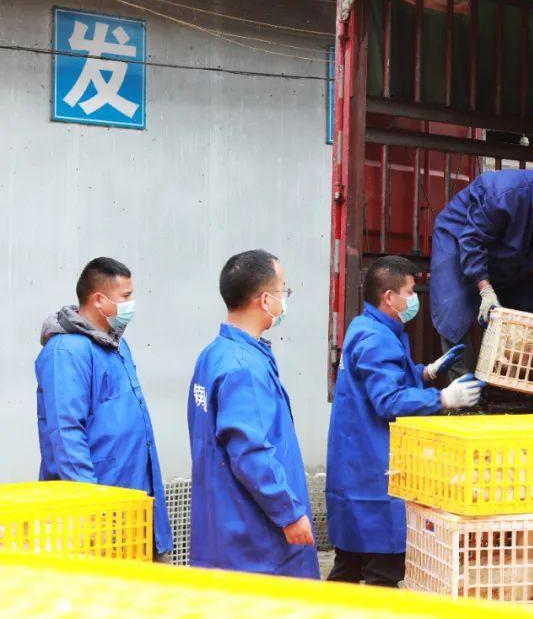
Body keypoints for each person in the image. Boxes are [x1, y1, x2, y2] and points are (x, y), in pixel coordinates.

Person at [326, 256, 483, 587]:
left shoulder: (366, 327)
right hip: (375, 472)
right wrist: (442, 398)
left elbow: (388, 376)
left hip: (356, 470)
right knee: (382, 573)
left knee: (348, 567)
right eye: (410, 292)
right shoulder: (376, 339)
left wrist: (426, 373)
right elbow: (388, 399)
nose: (414, 299)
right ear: (389, 297)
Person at [187, 249, 318, 578]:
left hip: (223, 521)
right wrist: (289, 513)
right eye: (283, 289)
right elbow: (251, 452)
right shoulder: (243, 366)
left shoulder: (214, 354)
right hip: (254, 533)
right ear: (265, 300)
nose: (285, 298)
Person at [35, 257, 173, 560]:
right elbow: (66, 436)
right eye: (126, 297)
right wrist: (93, 511)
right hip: (98, 521)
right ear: (99, 299)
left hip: (136, 510)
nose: (131, 305)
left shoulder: (116, 345)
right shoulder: (66, 352)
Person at [429, 156, 533, 379]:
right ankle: (462, 387)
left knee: (531, 313)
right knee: (454, 309)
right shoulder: (502, 194)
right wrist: (486, 291)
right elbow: (472, 240)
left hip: (510, 257)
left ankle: (522, 386)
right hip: (460, 242)